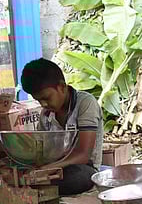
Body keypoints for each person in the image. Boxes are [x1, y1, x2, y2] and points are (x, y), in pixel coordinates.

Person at [20, 58, 103, 196]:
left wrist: (49, 169)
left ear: (62, 87)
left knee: (74, 179)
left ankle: (39, 187)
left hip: (83, 167)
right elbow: (40, 150)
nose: (43, 104)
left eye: (46, 98)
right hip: (54, 166)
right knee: (22, 172)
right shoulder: (46, 115)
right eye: (38, 100)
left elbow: (83, 154)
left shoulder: (86, 103)